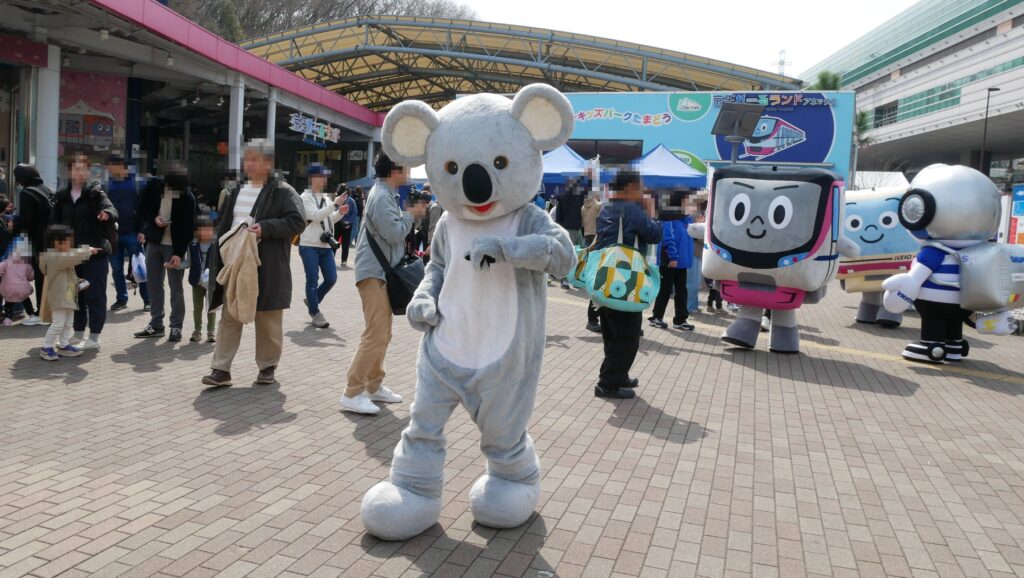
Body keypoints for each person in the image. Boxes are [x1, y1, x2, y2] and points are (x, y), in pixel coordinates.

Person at [202, 139, 305, 387]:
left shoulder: (282, 190)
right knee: (230, 314)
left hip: (267, 265)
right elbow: (224, 227)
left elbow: (298, 221)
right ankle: (220, 369)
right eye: (246, 158)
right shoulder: (236, 190)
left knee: (267, 317)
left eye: (253, 159)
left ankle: (267, 367)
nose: (248, 163)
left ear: (267, 162)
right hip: (235, 263)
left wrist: (266, 229)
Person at [341, 151, 423, 414]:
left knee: (383, 332)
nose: (409, 173)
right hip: (372, 273)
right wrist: (411, 214)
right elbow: (395, 232)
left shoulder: (384, 194)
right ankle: (352, 392)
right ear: (394, 170)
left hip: (378, 273)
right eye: (406, 168)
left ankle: (374, 386)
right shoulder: (381, 196)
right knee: (376, 333)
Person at [591, 170, 661, 400]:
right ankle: (608, 383)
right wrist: (651, 212)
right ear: (630, 187)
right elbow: (654, 234)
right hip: (625, 280)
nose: (643, 190)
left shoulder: (606, 207)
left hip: (607, 278)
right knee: (628, 334)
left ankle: (618, 375)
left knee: (612, 330)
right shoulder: (632, 210)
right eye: (640, 186)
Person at [50, 153, 118, 350]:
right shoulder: (62, 196)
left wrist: (107, 214)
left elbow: (112, 210)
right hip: (71, 254)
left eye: (83, 168)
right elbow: (53, 223)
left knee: (94, 294)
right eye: (75, 168)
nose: (79, 172)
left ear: (88, 171)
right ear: (70, 171)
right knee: (74, 295)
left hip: (94, 251)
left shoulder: (95, 192)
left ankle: (94, 336)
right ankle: (78, 333)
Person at [133, 168, 197, 342]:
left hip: (173, 246)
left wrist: (178, 253)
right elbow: (141, 207)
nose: (174, 192)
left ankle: (176, 327)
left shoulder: (187, 197)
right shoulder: (154, 186)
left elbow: (188, 229)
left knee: (176, 287)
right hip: (154, 242)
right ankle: (156, 324)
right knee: (153, 284)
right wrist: (153, 219)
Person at [299, 163, 348, 328]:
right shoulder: (305, 198)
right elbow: (315, 216)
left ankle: (313, 300)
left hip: (325, 245)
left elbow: (328, 220)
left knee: (331, 278)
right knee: (312, 280)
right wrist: (334, 205)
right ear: (313, 178)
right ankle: (315, 313)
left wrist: (339, 214)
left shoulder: (325, 197)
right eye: (322, 176)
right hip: (309, 245)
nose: (325, 179)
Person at [38, 225, 94, 360]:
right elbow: (70, 259)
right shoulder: (52, 256)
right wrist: (87, 251)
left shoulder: (61, 257)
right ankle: (47, 347)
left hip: (68, 296)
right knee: (58, 323)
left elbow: (70, 276)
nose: (68, 245)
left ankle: (63, 345)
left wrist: (80, 281)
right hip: (58, 297)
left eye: (69, 241)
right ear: (55, 242)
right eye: (65, 241)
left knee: (68, 323)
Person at [104, 154, 150, 312]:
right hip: (113, 234)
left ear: (121, 166)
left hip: (133, 233)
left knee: (140, 267)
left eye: (110, 165)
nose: (108, 169)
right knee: (116, 269)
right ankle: (121, 299)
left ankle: (147, 300)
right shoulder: (106, 184)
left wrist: (143, 231)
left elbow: (144, 209)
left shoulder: (137, 182)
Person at [12, 164, 53, 326]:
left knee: (40, 276)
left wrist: (12, 228)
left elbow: (25, 221)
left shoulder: (27, 193)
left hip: (38, 241)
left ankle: (42, 313)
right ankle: (49, 311)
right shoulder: (46, 189)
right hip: (53, 239)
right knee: (50, 276)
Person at [648, 191, 694, 331]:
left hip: (682, 262)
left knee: (681, 291)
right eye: (687, 201)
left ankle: (680, 320)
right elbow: (668, 238)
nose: (690, 204)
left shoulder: (688, 219)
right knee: (665, 289)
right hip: (669, 260)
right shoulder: (670, 217)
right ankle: (656, 317)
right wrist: (673, 256)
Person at [188, 215, 217, 343]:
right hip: (196, 281)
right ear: (197, 231)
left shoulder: (216, 245)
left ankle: (211, 332)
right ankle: (197, 331)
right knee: (197, 307)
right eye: (203, 229)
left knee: (211, 307)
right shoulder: (193, 245)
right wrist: (175, 265)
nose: (206, 232)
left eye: (209, 229)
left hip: (210, 282)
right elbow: (188, 263)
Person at [582, 187, 602, 332]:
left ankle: (593, 319)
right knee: (599, 279)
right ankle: (593, 319)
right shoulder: (599, 206)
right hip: (597, 239)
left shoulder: (583, 206)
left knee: (593, 272)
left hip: (587, 235)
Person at [334, 184, 358, 266]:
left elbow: (354, 212)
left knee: (342, 242)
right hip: (340, 223)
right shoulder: (338, 200)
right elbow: (334, 210)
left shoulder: (351, 201)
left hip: (342, 223)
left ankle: (343, 260)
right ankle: (342, 260)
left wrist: (348, 221)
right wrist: (348, 221)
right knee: (340, 242)